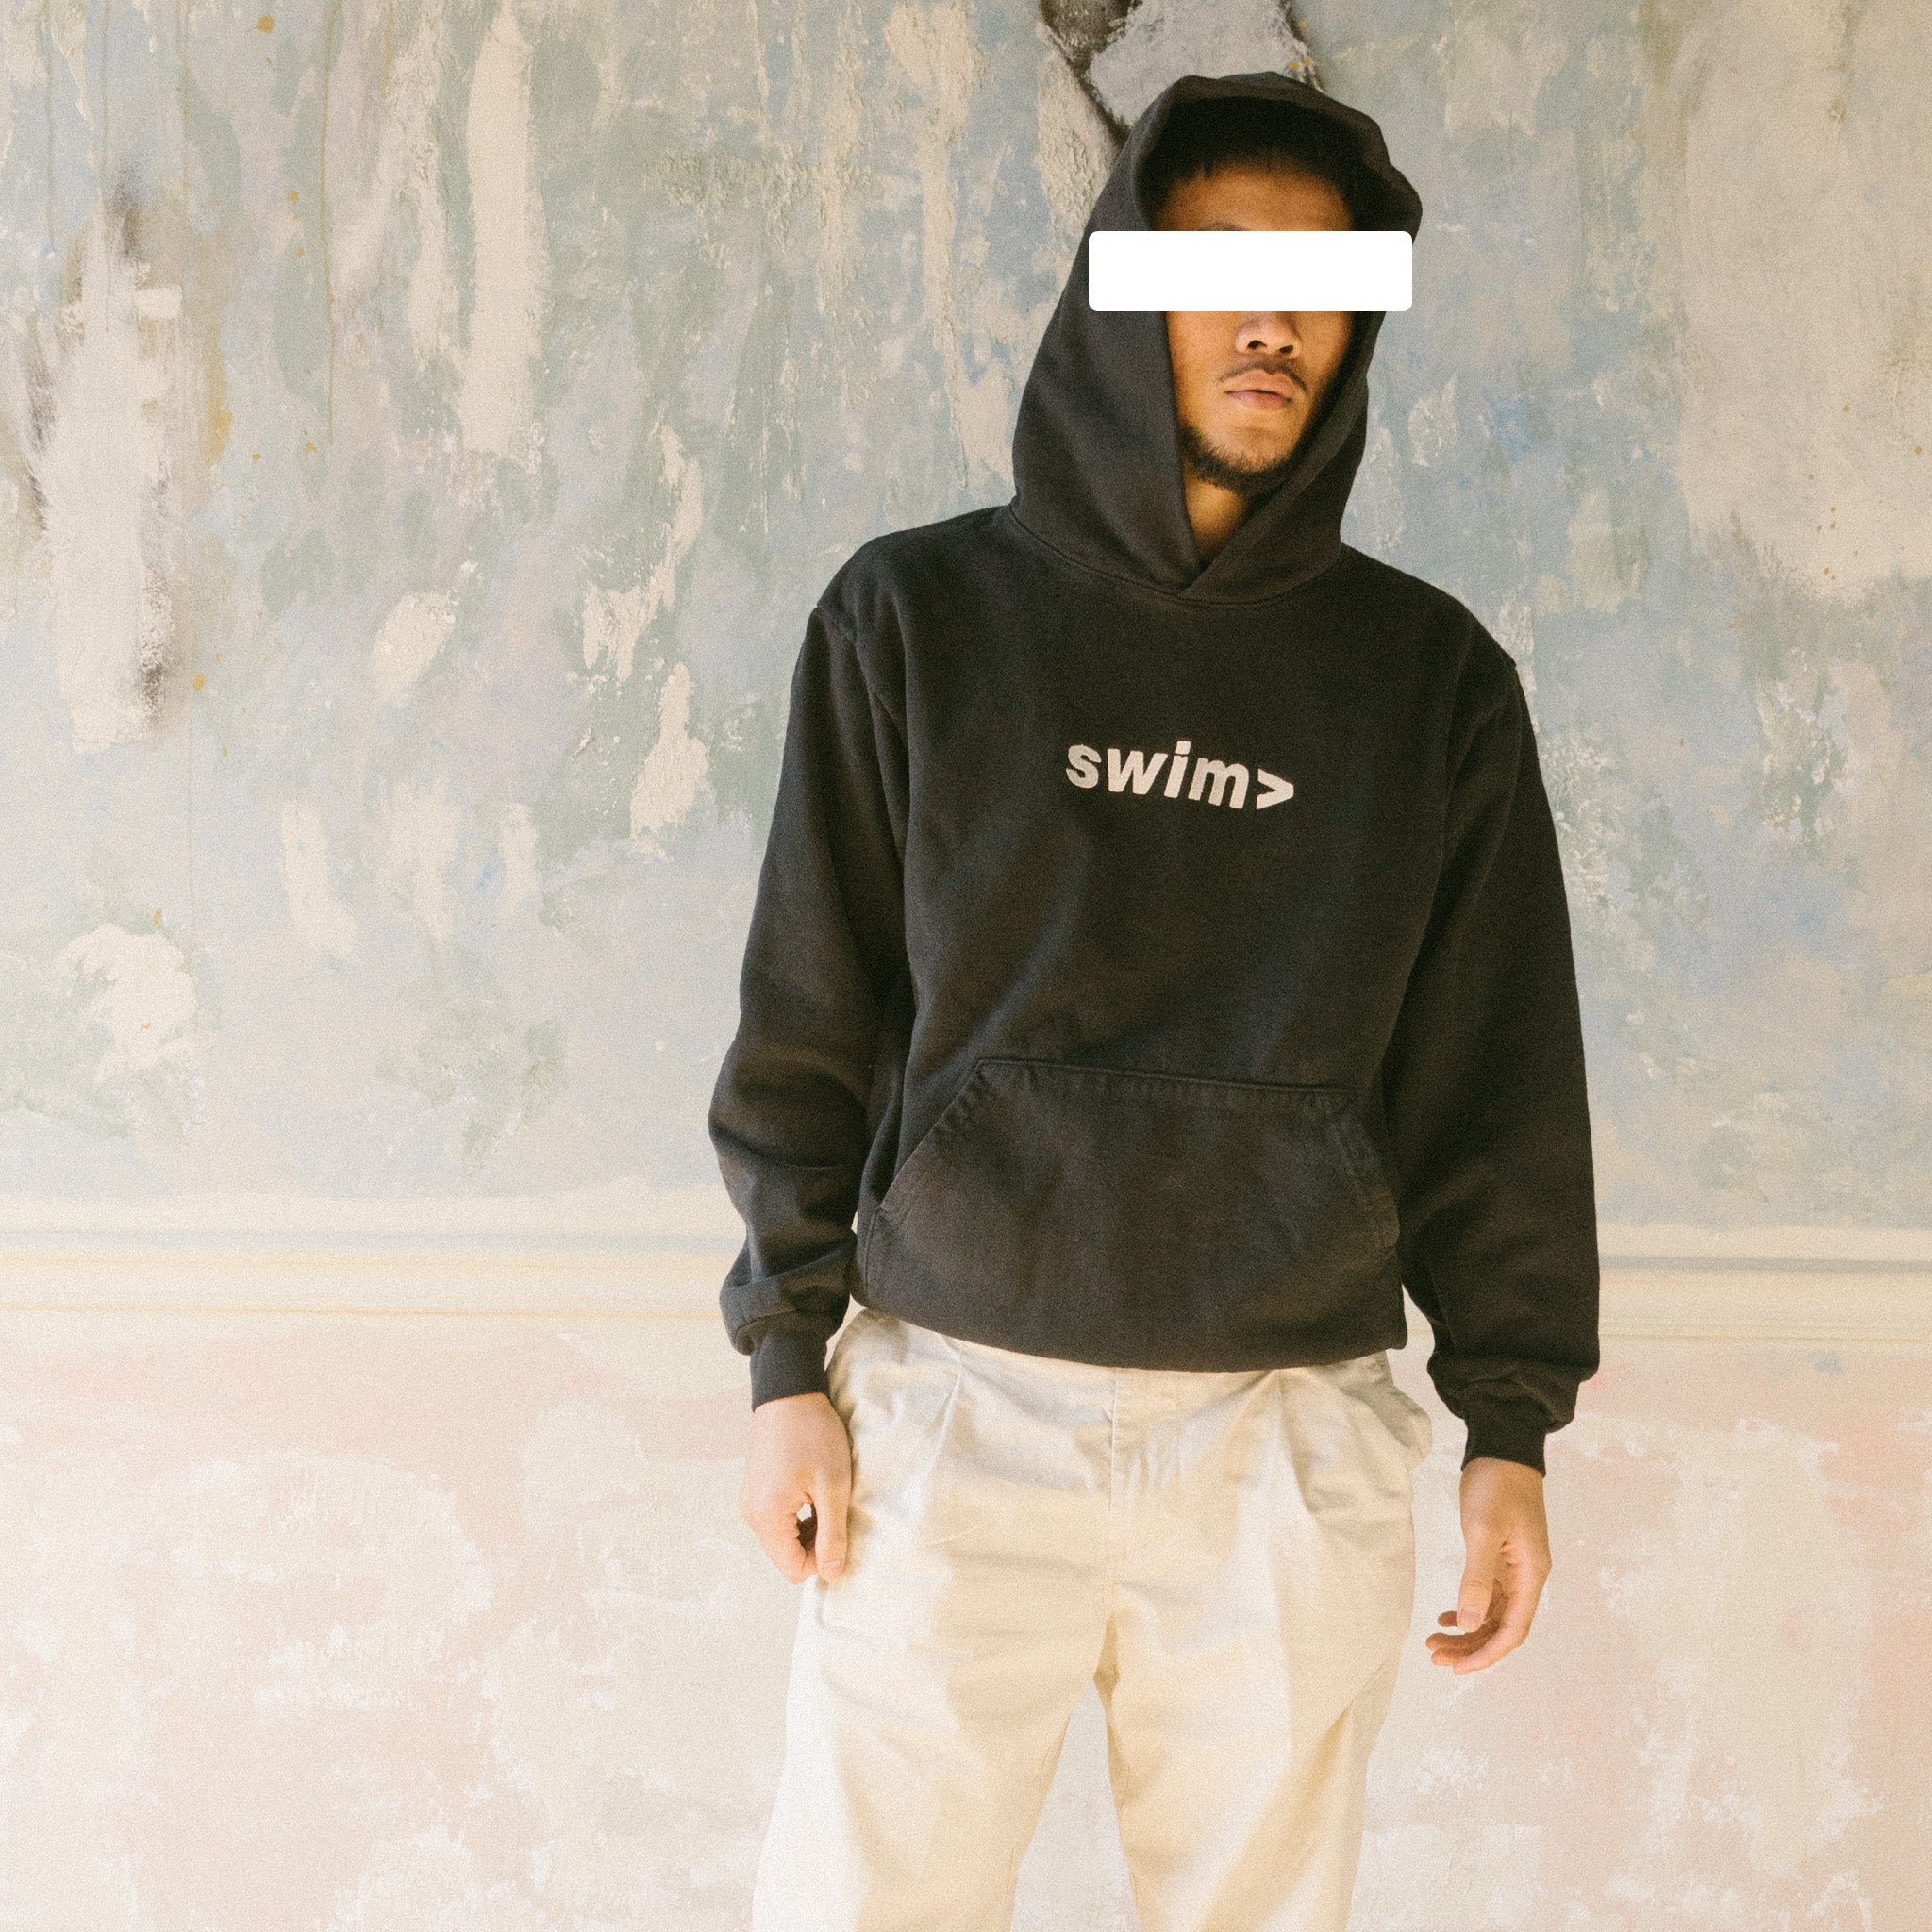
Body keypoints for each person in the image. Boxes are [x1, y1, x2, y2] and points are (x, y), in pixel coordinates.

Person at [709, 68, 1600, 1932]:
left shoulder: (1425, 680)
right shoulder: (912, 619)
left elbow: (1496, 1081)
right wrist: (786, 1359)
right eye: (1218, 270)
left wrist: (1509, 1424)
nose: (1274, 320)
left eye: (1323, 281)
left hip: (1286, 1433)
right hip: (952, 1410)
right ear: (1120, 291)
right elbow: (809, 1011)